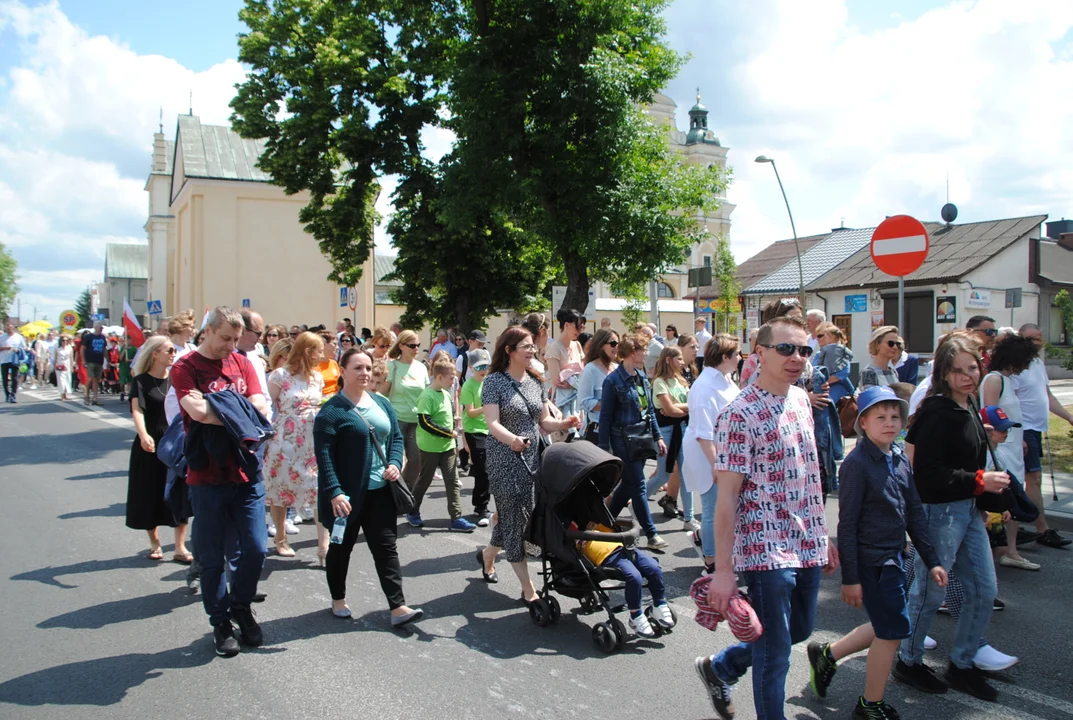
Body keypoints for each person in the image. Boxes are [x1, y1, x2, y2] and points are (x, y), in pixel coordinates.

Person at [695, 315, 838, 720]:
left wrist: (822, 535)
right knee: (776, 656)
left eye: (804, 350)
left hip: (804, 539)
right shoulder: (739, 414)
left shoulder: (799, 400)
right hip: (764, 548)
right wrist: (724, 571)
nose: (797, 358)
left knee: (800, 631)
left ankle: (722, 667)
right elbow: (726, 499)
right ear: (759, 353)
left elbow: (811, 477)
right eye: (786, 349)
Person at [806, 386, 948, 720]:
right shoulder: (857, 464)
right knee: (894, 631)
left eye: (895, 416)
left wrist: (933, 560)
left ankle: (828, 654)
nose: (889, 422)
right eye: (880, 417)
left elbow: (913, 511)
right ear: (864, 423)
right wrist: (851, 579)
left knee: (890, 623)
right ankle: (870, 706)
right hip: (873, 562)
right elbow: (848, 524)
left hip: (894, 558)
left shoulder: (898, 455)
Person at [893, 335, 1009, 701]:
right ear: (943, 373)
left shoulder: (969, 404)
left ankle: (962, 664)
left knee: (983, 589)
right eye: (958, 370)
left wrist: (986, 492)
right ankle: (907, 661)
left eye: (972, 368)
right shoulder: (936, 411)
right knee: (929, 592)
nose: (967, 376)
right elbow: (926, 474)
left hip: (968, 509)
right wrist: (980, 480)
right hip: (938, 512)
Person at [170, 306, 270, 658]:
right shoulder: (185, 366)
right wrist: (236, 409)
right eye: (225, 338)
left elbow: (259, 406)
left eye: (235, 339)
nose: (231, 345)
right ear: (208, 331)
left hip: (246, 470)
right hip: (206, 475)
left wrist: (220, 407)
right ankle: (221, 622)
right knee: (211, 557)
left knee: (257, 547)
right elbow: (195, 413)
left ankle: (241, 604)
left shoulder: (242, 363)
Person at [313, 348, 424, 626]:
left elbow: (395, 438)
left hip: (381, 492)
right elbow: (324, 457)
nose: (365, 373)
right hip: (347, 496)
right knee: (341, 549)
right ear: (342, 371)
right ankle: (338, 599)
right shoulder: (331, 412)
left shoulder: (382, 403)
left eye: (368, 368)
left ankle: (398, 607)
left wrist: (396, 463)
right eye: (358, 368)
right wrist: (335, 492)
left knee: (386, 549)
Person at [478, 327, 581, 599]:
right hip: (505, 459)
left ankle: (488, 554)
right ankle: (528, 590)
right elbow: (492, 423)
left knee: (523, 514)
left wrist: (566, 422)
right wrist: (512, 439)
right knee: (514, 520)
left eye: (532, 345)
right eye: (525, 346)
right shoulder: (494, 382)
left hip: (532, 459)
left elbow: (544, 423)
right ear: (509, 351)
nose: (532, 350)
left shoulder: (537, 382)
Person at [598, 333, 668, 550]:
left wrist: (658, 437)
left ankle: (603, 525)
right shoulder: (612, 380)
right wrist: (603, 449)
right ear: (631, 353)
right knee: (638, 483)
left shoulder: (641, 377)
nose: (646, 353)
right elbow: (605, 417)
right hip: (622, 440)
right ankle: (651, 533)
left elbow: (650, 413)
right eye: (643, 350)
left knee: (628, 486)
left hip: (641, 438)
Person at [125, 336, 191, 562]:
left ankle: (180, 547)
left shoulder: (177, 380)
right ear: (155, 354)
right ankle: (154, 542)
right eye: (169, 350)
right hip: (150, 442)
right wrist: (143, 435)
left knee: (179, 493)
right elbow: (138, 410)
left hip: (174, 442)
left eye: (174, 350)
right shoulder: (141, 381)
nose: (174, 354)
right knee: (149, 491)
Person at [980, 331, 1041, 571]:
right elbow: (990, 414)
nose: (1025, 367)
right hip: (1001, 447)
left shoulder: (1006, 380)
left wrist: (1020, 439)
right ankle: (1005, 550)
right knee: (1006, 497)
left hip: (1012, 445)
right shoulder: (994, 380)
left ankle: (1010, 549)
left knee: (1011, 498)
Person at [263, 331, 326, 560]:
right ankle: (280, 537)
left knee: (318, 490)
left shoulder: (318, 377)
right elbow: (266, 409)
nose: (322, 355)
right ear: (308, 352)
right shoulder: (279, 376)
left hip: (311, 443)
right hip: (284, 442)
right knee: (280, 491)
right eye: (319, 350)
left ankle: (324, 546)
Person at [681, 334, 741, 574]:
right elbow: (703, 432)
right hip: (709, 454)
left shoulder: (726, 379)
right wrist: (715, 463)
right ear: (725, 357)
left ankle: (703, 540)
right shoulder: (705, 386)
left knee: (725, 507)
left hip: (724, 452)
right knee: (712, 509)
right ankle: (712, 562)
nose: (740, 358)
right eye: (736, 354)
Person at [1011, 323, 1073, 548]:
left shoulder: (1037, 363)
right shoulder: (1016, 367)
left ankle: (1024, 526)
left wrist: (1068, 416)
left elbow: (1046, 395)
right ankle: (1041, 528)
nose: (1036, 342)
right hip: (1022, 429)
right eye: (1030, 338)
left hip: (1036, 428)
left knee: (1030, 479)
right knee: (1031, 479)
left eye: (1039, 337)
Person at [573, 520, 674, 637]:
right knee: (634, 577)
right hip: (607, 556)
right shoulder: (577, 540)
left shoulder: (593, 526)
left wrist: (597, 526)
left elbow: (612, 532)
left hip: (625, 547)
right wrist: (576, 533)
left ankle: (659, 604)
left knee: (654, 568)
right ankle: (635, 616)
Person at [412, 357, 477, 531]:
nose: (453, 381)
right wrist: (449, 433)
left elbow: (443, 417)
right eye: (451, 378)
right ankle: (412, 510)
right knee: (424, 481)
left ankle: (456, 518)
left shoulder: (446, 394)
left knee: (453, 481)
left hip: (447, 447)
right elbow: (425, 422)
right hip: (430, 448)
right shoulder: (427, 396)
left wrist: (454, 423)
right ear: (439, 377)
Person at [648, 345, 694, 530]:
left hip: (684, 430)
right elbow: (669, 410)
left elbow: (687, 405)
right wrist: (684, 408)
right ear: (668, 360)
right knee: (662, 475)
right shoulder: (659, 382)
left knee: (686, 475)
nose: (683, 362)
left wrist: (678, 407)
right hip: (666, 432)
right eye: (679, 359)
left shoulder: (681, 381)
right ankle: (638, 504)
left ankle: (689, 519)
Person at [384, 330, 429, 498]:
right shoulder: (392, 366)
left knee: (416, 460)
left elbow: (426, 394)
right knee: (394, 460)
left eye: (418, 345)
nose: (416, 349)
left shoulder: (421, 368)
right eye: (412, 345)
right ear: (401, 346)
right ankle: (389, 493)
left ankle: (404, 491)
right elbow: (383, 393)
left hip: (416, 420)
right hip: (396, 419)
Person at [460, 348, 492, 526]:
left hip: (489, 430)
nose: (483, 370)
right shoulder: (468, 385)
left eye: (486, 366)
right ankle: (481, 508)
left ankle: (482, 505)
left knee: (488, 470)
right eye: (479, 367)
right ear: (471, 367)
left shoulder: (489, 382)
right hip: (474, 431)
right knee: (483, 471)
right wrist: (488, 406)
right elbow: (470, 412)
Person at [577, 329, 618, 437]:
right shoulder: (590, 370)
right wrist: (611, 404)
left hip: (618, 430)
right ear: (600, 345)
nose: (616, 347)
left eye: (618, 344)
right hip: (598, 431)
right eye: (613, 344)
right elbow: (584, 402)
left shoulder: (618, 368)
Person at [545, 308, 585, 421]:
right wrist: (576, 383)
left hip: (578, 400)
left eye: (582, 327)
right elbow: (557, 381)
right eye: (578, 327)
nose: (580, 330)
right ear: (567, 325)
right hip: (562, 402)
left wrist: (572, 383)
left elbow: (583, 373)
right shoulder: (554, 348)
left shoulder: (577, 345)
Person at [81, 322, 108, 406]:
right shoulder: (88, 337)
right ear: (96, 328)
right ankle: (86, 396)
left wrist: (108, 359)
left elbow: (104, 349)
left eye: (102, 328)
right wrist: (83, 360)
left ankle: (95, 399)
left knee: (96, 379)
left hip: (99, 361)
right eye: (100, 328)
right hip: (90, 361)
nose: (101, 329)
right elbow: (82, 348)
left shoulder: (102, 337)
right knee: (90, 378)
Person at [0, 320, 26, 403]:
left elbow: (24, 347)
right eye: (7, 328)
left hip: (14, 360)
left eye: (10, 328)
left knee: (14, 378)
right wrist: (5, 348)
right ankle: (7, 395)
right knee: (5, 379)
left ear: (13, 329)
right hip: (4, 360)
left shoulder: (18, 337)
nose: (9, 330)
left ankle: (13, 395)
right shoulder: (2, 337)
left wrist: (17, 349)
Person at [53, 334, 74, 400]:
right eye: (63, 340)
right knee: (61, 380)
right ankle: (62, 395)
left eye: (66, 340)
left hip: (67, 365)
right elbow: (55, 358)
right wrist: (54, 366)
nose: (65, 342)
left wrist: (72, 366)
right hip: (59, 365)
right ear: (60, 341)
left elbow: (71, 358)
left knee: (67, 380)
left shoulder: (69, 347)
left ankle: (65, 394)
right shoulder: (57, 348)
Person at [118, 334, 137, 402]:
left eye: (130, 340)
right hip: (123, 367)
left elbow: (136, 359)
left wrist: (130, 360)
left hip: (130, 367)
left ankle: (129, 394)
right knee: (122, 381)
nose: (129, 342)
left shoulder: (134, 349)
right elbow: (120, 358)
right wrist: (124, 350)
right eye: (127, 340)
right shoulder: (123, 348)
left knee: (130, 382)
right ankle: (122, 392)